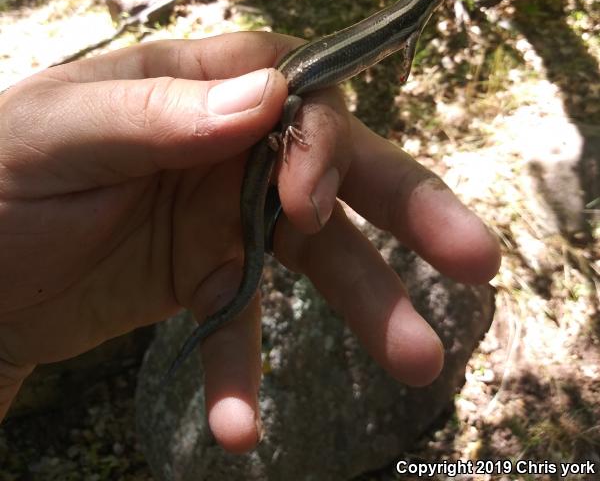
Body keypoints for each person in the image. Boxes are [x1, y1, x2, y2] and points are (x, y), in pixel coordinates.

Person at [0, 32, 500, 453]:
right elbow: (315, 90)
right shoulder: (405, 29)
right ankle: (278, 146)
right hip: (288, 96)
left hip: (294, 91)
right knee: (295, 112)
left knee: (299, 135)